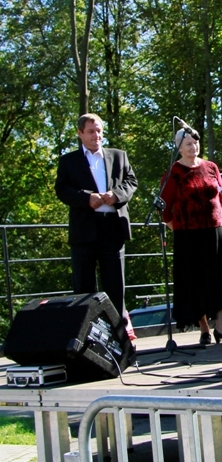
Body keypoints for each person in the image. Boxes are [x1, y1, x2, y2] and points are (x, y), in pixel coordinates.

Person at [161, 129, 222, 344]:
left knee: (220, 277)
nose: (193, 147)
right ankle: (204, 329)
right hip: (188, 234)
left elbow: (220, 197)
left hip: (215, 229)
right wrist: (177, 228)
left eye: (195, 142)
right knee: (195, 281)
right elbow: (165, 208)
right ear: (179, 147)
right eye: (188, 143)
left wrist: (217, 217)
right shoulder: (174, 172)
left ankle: (221, 327)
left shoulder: (211, 167)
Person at [55, 113, 138, 317]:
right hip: (84, 230)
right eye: (91, 131)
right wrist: (87, 198)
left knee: (115, 286)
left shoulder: (118, 156)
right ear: (80, 133)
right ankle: (86, 332)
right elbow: (62, 189)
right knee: (84, 287)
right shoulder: (68, 161)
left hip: (113, 228)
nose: (96, 135)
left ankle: (118, 332)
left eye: (99, 131)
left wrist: (116, 194)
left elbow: (131, 182)